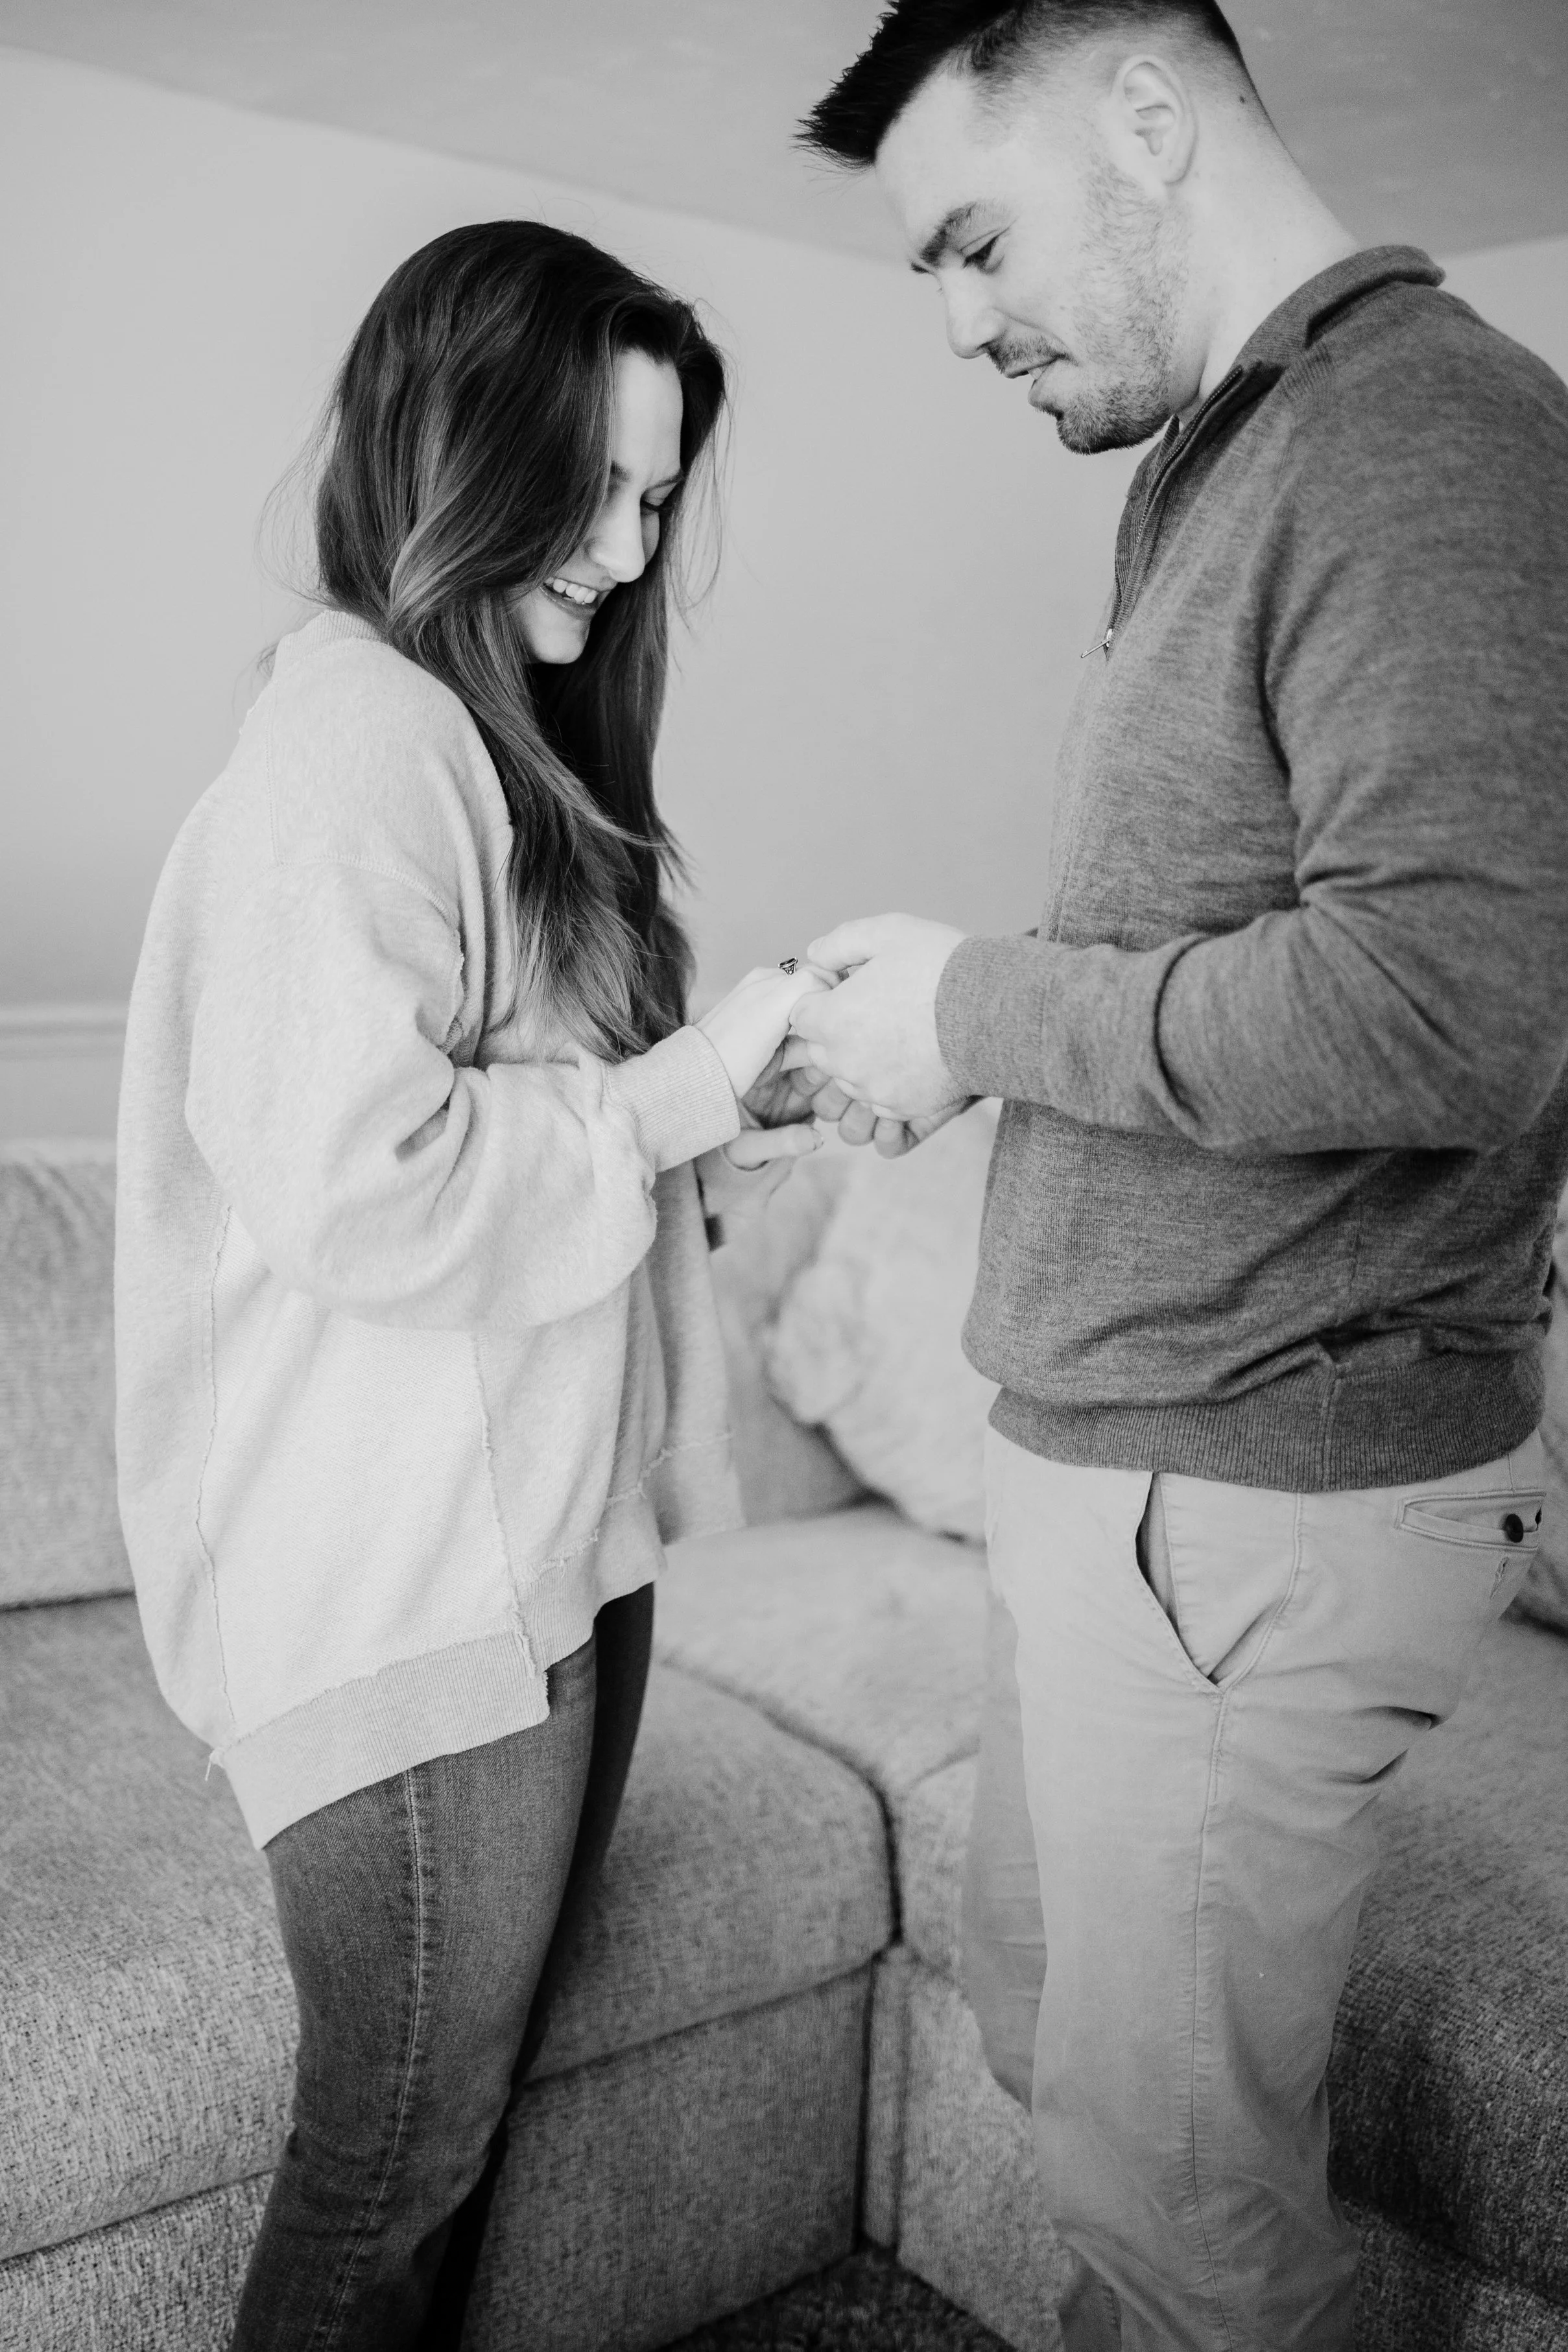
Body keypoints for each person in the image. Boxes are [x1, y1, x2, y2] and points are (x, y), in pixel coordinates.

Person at [789, 5, 1568, 2347]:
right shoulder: (1227, 470)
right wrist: (944, 1053)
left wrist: (976, 1008)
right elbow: (1235, 972)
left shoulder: (1420, 435)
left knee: (1199, 2229)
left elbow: (1452, 1007)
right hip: (1119, 1484)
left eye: (975, 240)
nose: (959, 320)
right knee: (1087, 2104)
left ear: (1149, 113)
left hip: (1248, 1504)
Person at [113, 220, 829, 2351]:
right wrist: (672, 1096)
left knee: (458, 2143)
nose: (627, 549)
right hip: (407, 1594)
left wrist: (733, 1114)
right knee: (392, 2164)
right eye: (595, 485)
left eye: (659, 494)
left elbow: (557, 1154)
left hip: (543, 1555)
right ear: (456, 447)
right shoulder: (358, 746)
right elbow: (368, 1186)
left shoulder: (498, 743)